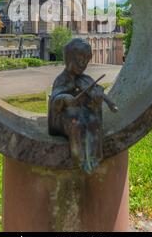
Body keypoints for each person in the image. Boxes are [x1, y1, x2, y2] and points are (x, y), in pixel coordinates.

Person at [48, 38, 116, 174]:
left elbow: (95, 97)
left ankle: (94, 157)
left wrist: (96, 99)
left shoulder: (86, 79)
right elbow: (54, 101)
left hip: (83, 112)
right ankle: (80, 158)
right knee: (76, 124)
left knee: (93, 121)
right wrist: (64, 98)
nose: (83, 64)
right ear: (69, 59)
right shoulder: (62, 79)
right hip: (64, 117)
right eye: (80, 59)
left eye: (86, 60)